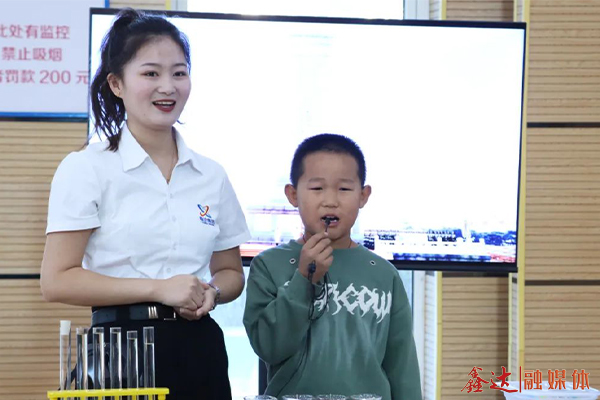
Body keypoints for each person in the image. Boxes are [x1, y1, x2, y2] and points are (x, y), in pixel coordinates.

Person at [40, 9, 250, 400]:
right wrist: (160, 289)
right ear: (116, 83)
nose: (168, 87)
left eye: (179, 73)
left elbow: (230, 272)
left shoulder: (211, 174)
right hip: (120, 350)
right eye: (151, 73)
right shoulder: (86, 167)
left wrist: (213, 293)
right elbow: (56, 280)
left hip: (200, 348)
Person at [243, 134, 422, 400]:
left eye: (344, 189)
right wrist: (304, 278)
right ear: (293, 195)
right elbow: (269, 347)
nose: (330, 200)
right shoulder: (268, 266)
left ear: (363, 196)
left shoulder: (384, 274)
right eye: (317, 188)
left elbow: (402, 366)